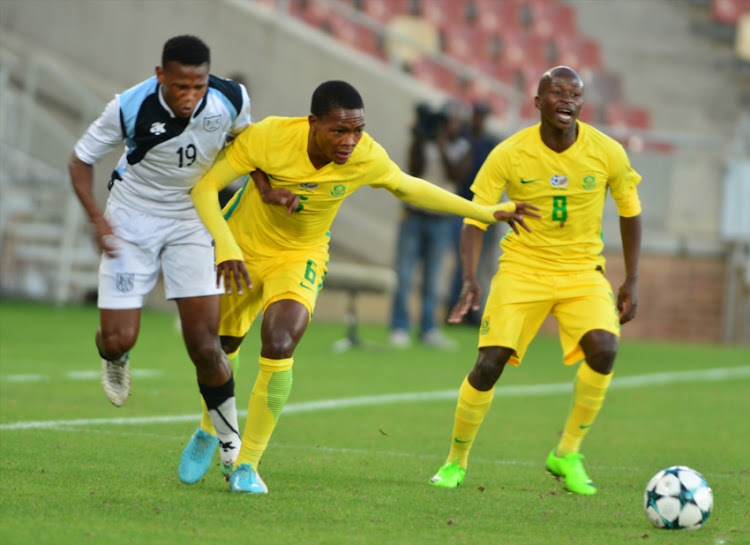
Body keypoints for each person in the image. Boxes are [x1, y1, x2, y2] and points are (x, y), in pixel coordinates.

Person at [186, 80, 541, 493]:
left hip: (300, 254)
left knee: (280, 341)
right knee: (221, 348)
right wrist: (226, 246)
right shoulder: (269, 136)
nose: (350, 141)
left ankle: (248, 463)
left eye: (357, 130)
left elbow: (409, 186)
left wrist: (482, 210)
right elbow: (205, 186)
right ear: (313, 122)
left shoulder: (364, 154)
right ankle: (208, 429)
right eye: (339, 130)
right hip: (242, 248)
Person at [428, 66, 642, 496]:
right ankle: (456, 460)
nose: (567, 100)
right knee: (488, 364)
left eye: (575, 94)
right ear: (538, 102)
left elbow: (630, 211)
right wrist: (471, 278)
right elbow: (476, 217)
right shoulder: (509, 153)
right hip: (523, 269)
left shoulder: (607, 152)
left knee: (605, 347)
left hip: (582, 272)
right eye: (557, 92)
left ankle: (567, 452)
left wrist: (631, 279)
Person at [68, 35, 252, 477]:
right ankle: (114, 358)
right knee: (118, 339)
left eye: (198, 85)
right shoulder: (128, 106)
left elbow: (248, 147)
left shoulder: (231, 98)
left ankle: (231, 447)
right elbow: (80, 161)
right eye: (180, 87)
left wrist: (265, 187)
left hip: (191, 219)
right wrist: (98, 219)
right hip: (131, 221)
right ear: (160, 76)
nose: (190, 96)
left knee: (206, 346)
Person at [389, 100, 471, 349]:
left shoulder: (460, 146)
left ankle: (428, 328)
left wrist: (440, 144)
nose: (448, 126)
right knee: (404, 273)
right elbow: (413, 169)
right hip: (414, 215)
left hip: (441, 219)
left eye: (454, 122)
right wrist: (419, 137)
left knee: (434, 276)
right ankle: (399, 326)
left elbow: (456, 174)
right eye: (447, 121)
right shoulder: (423, 141)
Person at [446, 101, 503, 326]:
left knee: (479, 264)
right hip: (462, 206)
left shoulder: (490, 144)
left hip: (484, 210)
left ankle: (472, 310)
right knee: (462, 262)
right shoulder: (463, 140)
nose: (479, 120)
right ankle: (454, 308)